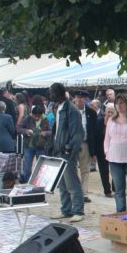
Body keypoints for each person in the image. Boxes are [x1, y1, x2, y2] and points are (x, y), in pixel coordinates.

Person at [49, 82, 85, 222]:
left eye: (52, 92)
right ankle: (66, 209)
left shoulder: (71, 110)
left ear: (59, 93)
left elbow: (77, 133)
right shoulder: (58, 107)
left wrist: (70, 149)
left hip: (67, 151)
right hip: (58, 149)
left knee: (72, 182)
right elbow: (57, 129)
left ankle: (78, 210)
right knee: (62, 183)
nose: (50, 95)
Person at [72, 91, 97, 203]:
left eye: (83, 98)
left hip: (85, 143)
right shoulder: (70, 111)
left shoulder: (91, 112)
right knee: (72, 169)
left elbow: (94, 131)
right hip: (72, 144)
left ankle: (84, 193)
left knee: (85, 170)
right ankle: (74, 192)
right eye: (78, 97)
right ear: (75, 99)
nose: (80, 99)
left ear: (86, 99)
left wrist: (94, 151)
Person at [17, 106, 52, 182]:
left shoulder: (45, 119)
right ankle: (27, 181)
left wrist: (45, 133)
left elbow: (51, 131)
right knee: (27, 166)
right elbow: (18, 128)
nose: (36, 118)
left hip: (41, 146)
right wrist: (26, 131)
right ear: (32, 114)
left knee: (41, 166)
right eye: (35, 116)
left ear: (41, 115)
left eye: (38, 116)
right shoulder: (27, 119)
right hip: (29, 146)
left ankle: (40, 181)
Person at [96, 104, 115, 197]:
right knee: (104, 171)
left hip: (114, 150)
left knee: (114, 170)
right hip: (101, 150)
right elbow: (94, 136)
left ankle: (115, 188)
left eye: (112, 112)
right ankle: (107, 190)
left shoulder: (116, 122)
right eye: (108, 112)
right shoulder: (99, 121)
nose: (110, 114)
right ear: (105, 112)